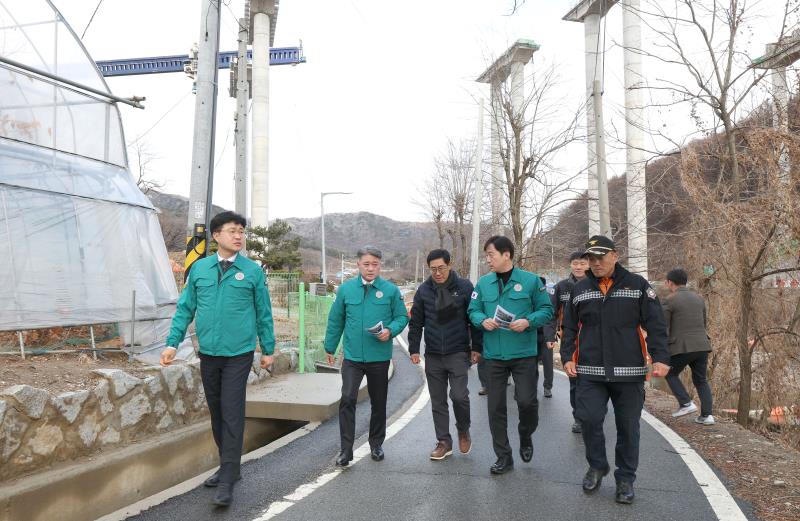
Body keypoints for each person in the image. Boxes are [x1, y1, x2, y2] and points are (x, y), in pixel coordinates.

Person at [161, 211, 275, 508]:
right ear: (216, 236)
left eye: (241, 231)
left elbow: (263, 312)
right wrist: (172, 343)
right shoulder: (199, 270)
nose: (238, 236)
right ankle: (230, 467)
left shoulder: (252, 271)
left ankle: (227, 480)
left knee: (232, 411)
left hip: (239, 353)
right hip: (209, 352)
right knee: (216, 412)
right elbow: (185, 309)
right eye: (232, 231)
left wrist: (269, 348)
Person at [561, 235, 670, 505]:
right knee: (587, 417)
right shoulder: (580, 289)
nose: (595, 263)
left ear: (615, 255)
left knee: (628, 428)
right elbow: (570, 328)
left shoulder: (637, 286)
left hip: (628, 371)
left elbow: (655, 324)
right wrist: (567, 357)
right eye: (591, 258)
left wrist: (661, 357)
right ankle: (597, 465)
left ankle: (625, 480)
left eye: (600, 257)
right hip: (590, 370)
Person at [468, 236, 554, 475]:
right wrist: (481, 320)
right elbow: (472, 310)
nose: (488, 260)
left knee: (526, 402)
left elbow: (547, 310)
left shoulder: (530, 281)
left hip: (523, 353)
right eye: (486, 255)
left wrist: (528, 321)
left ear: (507, 255)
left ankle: (525, 435)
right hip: (493, 355)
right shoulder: (483, 284)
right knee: (495, 408)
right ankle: (503, 456)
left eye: (491, 255)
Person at [324, 246, 409, 467]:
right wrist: (330, 347)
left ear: (380, 265)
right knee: (348, 399)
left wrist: (390, 330)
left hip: (379, 357)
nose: (370, 268)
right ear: (358, 265)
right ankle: (345, 450)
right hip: (352, 357)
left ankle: (376, 443)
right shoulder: (345, 290)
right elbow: (336, 320)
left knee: (378, 402)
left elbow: (402, 317)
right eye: (366, 264)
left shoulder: (390, 291)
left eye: (375, 264)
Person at [408, 249, 483, 460]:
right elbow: (416, 323)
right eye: (433, 269)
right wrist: (414, 349)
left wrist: (477, 347)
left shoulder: (465, 287)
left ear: (449, 266)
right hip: (433, 354)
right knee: (438, 400)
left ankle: (463, 429)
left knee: (459, 396)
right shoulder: (424, 291)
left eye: (441, 268)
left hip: (458, 351)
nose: (438, 273)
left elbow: (474, 318)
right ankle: (444, 442)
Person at [544, 252, 589, 433]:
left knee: (594, 381)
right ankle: (578, 417)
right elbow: (551, 314)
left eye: (582, 263)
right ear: (570, 265)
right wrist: (550, 336)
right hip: (571, 341)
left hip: (595, 341)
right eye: (575, 263)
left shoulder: (598, 284)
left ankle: (593, 413)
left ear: (589, 264)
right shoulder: (561, 287)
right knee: (574, 379)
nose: (578, 267)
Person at [662, 268, 714, 425]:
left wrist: (661, 349)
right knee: (701, 380)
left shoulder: (669, 300)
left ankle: (686, 403)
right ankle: (707, 416)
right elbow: (703, 323)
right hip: (702, 345)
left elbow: (663, 327)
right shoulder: (699, 299)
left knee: (670, 373)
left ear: (670, 282)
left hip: (682, 347)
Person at [535, 276, 553, 399]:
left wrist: (551, 337)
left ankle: (547, 387)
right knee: (531, 363)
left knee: (548, 362)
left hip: (546, 336)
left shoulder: (550, 298)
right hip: (531, 335)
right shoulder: (530, 297)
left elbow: (552, 318)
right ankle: (531, 386)